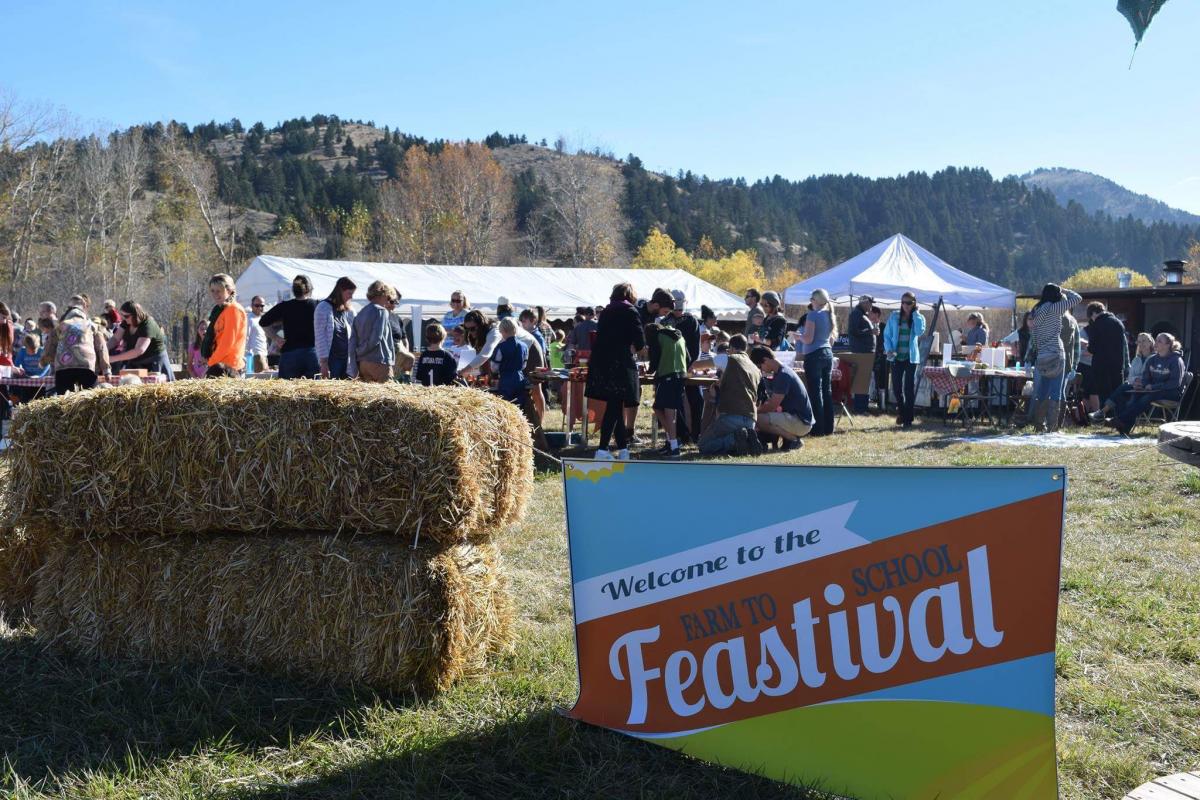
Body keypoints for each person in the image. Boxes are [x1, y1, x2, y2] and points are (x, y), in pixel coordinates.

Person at [585, 283, 645, 461]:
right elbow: (640, 342)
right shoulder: (631, 311)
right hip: (620, 364)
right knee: (614, 406)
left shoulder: (606, 311)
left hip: (601, 363)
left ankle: (623, 449)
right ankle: (602, 450)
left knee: (615, 406)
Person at [1026, 284, 1082, 431]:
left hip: (1042, 356)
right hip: (1057, 354)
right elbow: (1077, 298)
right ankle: (1052, 427)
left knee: (1042, 391)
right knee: (1056, 391)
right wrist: (1065, 290)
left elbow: (1033, 336)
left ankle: (1039, 425)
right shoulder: (1055, 308)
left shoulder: (1036, 310)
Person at [1110, 332, 1186, 435]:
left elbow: (1175, 383)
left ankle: (1120, 419)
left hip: (1171, 392)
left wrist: (1154, 386)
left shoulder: (1176, 360)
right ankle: (1124, 427)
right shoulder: (1152, 359)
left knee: (1148, 397)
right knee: (1135, 394)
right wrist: (1145, 385)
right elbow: (1146, 378)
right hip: (1154, 390)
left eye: (1159, 341)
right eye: (1157, 340)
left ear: (1167, 345)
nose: (1156, 343)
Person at [699, 335, 763, 456]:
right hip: (751, 419)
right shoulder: (755, 367)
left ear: (731, 347)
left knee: (703, 446)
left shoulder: (728, 358)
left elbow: (697, 366)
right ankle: (745, 439)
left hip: (731, 415)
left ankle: (733, 440)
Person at [749, 345, 813, 451]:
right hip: (799, 418)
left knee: (758, 419)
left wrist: (754, 411)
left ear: (765, 360)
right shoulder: (782, 372)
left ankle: (793, 439)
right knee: (765, 416)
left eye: (760, 366)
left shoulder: (783, 375)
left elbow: (772, 406)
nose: (761, 370)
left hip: (801, 422)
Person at [258, 274, 319, 379]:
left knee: (287, 393)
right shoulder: (318, 305)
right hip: (312, 354)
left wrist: (275, 338)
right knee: (314, 393)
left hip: (289, 354)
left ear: (294, 290)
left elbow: (263, 322)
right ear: (310, 289)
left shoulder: (285, 306)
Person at [647, 315, 690, 459]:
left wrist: (649, 371)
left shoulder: (657, 337)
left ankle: (674, 446)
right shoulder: (679, 336)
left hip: (667, 377)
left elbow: (654, 360)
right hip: (680, 376)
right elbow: (688, 358)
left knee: (669, 413)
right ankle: (670, 441)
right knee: (660, 408)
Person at [42, 301, 110, 393]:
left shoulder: (60, 326)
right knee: (88, 398)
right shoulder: (92, 325)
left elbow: (50, 346)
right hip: (86, 365)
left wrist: (44, 362)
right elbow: (102, 347)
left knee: (64, 400)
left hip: (63, 366)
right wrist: (106, 369)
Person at [797, 288, 838, 436]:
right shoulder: (829, 315)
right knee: (826, 391)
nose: (810, 302)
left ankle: (818, 428)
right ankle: (828, 427)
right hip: (827, 354)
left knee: (816, 392)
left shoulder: (812, 315)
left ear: (815, 301)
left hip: (814, 355)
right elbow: (831, 339)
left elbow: (808, 339)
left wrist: (798, 336)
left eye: (811, 300)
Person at [883, 291, 927, 429]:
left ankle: (908, 420)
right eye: (903, 302)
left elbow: (920, 332)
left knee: (908, 388)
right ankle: (902, 413)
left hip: (910, 358)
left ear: (914, 303)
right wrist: (889, 348)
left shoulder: (918, 317)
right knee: (896, 388)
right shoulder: (894, 316)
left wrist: (916, 314)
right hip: (896, 357)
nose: (905, 305)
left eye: (909, 303)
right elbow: (887, 335)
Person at [664, 289, 703, 442]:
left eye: (681, 308)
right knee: (675, 402)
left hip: (689, 365)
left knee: (696, 400)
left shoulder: (691, 320)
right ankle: (682, 434)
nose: (679, 311)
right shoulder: (665, 321)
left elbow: (695, 346)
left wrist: (693, 364)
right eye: (676, 307)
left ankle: (696, 433)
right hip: (671, 367)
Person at [1091, 332, 1155, 422]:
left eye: (1144, 341)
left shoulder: (1155, 358)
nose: (1141, 344)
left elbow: (1153, 375)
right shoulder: (1136, 359)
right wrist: (1135, 380)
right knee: (1121, 395)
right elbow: (1130, 377)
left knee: (1123, 388)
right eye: (1139, 342)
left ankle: (1104, 412)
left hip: (1147, 387)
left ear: (1150, 342)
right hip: (1135, 386)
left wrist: (1140, 381)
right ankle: (1117, 420)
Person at [108, 301, 174, 380]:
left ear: (135, 315)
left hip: (154, 362)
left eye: (126, 316)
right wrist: (104, 350)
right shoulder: (126, 322)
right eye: (122, 315)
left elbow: (139, 350)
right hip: (136, 362)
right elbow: (115, 339)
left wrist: (113, 358)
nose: (124, 318)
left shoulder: (148, 325)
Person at [1084, 301, 1129, 414]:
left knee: (1104, 393)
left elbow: (1093, 348)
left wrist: (1088, 347)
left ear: (1094, 313)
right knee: (1116, 392)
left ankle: (1105, 416)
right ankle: (1119, 416)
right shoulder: (1118, 322)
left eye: (1091, 316)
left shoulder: (1097, 324)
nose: (1091, 319)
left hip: (1101, 366)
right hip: (1117, 365)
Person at [203, 273, 248, 378]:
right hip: (220, 366)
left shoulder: (234, 310)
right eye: (212, 291)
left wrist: (211, 362)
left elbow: (227, 343)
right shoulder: (222, 310)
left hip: (230, 369)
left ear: (229, 290)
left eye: (219, 290)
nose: (215, 294)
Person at [352, 281, 396, 383]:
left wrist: (359, 353)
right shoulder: (381, 311)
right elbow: (376, 338)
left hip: (363, 363)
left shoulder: (360, 313)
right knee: (386, 396)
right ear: (384, 294)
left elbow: (354, 340)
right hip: (379, 361)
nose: (388, 301)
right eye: (388, 297)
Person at [315, 277, 357, 379]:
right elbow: (320, 336)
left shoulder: (349, 311)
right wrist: (324, 362)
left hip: (347, 361)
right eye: (349, 293)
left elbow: (355, 334)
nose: (351, 297)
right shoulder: (323, 307)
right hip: (331, 360)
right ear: (341, 291)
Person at [846, 294, 878, 413]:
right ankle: (860, 408)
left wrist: (871, 331)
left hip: (865, 352)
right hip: (861, 352)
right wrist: (871, 331)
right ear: (864, 303)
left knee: (864, 380)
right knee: (861, 379)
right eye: (870, 303)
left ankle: (863, 406)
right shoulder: (856, 314)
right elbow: (854, 331)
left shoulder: (861, 315)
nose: (871, 306)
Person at [490, 318, 530, 404]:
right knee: (519, 407)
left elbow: (494, 367)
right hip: (520, 378)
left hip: (506, 380)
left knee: (507, 406)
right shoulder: (524, 346)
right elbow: (524, 365)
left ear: (503, 330)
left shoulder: (501, 347)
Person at [245, 296, 270, 374]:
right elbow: (246, 337)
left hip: (264, 354)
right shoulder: (249, 319)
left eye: (262, 306)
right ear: (252, 306)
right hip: (255, 355)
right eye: (257, 305)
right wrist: (246, 355)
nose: (260, 308)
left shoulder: (262, 319)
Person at [870, 305, 888, 409]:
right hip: (870, 356)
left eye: (871, 313)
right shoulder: (867, 326)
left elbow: (886, 341)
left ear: (877, 314)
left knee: (881, 379)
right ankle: (871, 400)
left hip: (881, 357)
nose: (869, 315)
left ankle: (883, 404)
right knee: (870, 379)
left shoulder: (884, 326)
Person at [0, 303, 16, 368]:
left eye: (6, 318)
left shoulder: (8, 326)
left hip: (5, 367)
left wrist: (12, 367)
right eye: (3, 317)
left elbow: (7, 352)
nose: (4, 321)